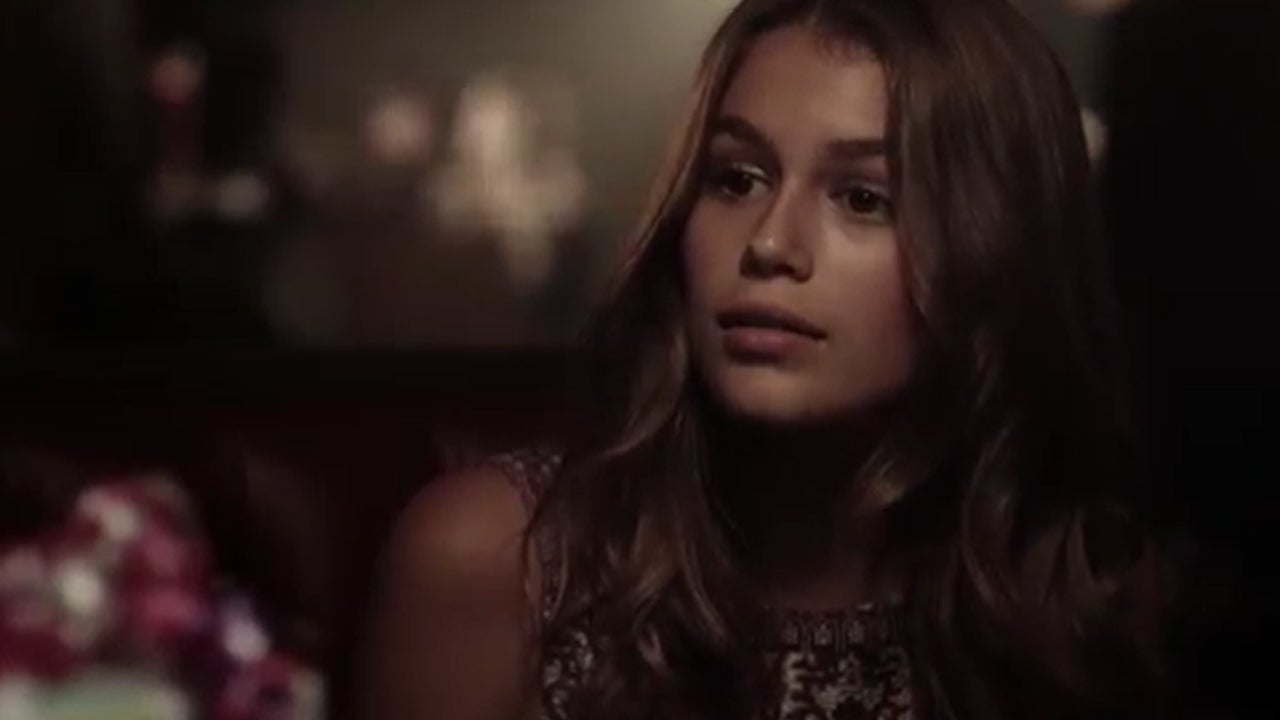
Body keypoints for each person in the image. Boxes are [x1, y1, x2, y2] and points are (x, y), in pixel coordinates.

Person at [357, 1, 1167, 718]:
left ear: (995, 248)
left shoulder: (1083, 603)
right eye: (736, 179)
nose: (770, 243)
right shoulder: (496, 563)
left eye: (863, 198)